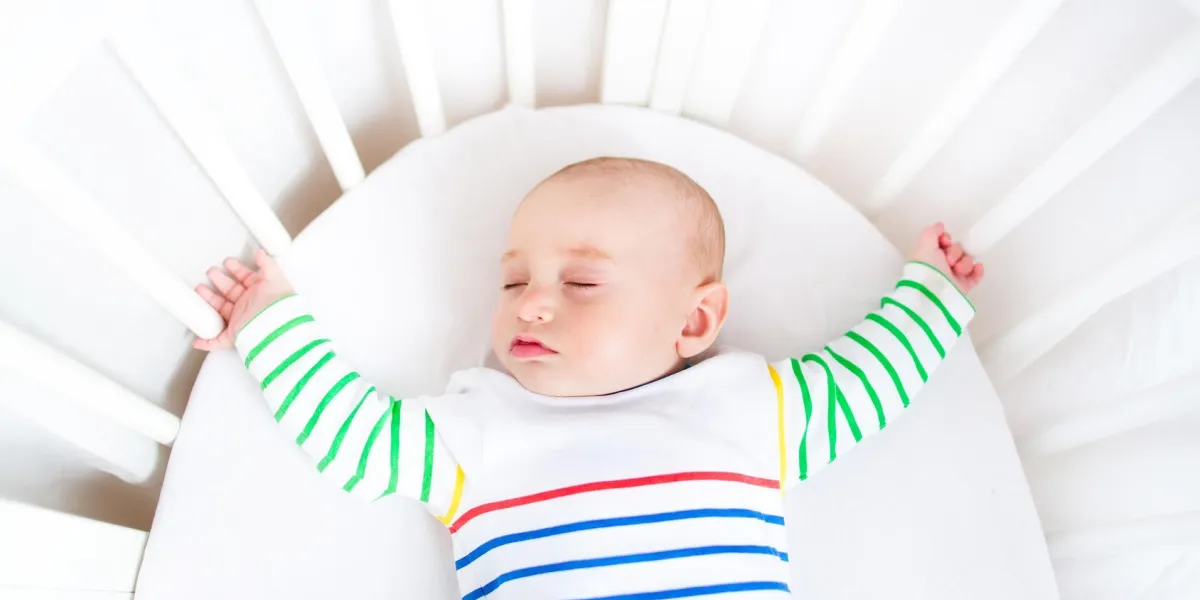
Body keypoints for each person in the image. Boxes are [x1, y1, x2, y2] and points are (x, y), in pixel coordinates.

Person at [194, 157, 985, 599]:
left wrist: (929, 292)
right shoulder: (475, 431)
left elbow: (873, 376)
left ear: (695, 322)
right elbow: (352, 437)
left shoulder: (749, 408)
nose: (531, 305)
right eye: (513, 282)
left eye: (581, 284)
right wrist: (270, 321)